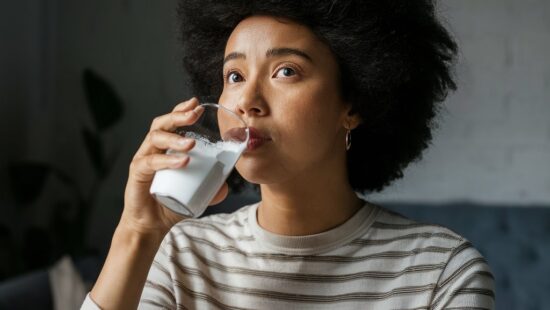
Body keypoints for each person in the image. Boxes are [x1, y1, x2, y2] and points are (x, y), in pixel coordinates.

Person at [82, 0, 495, 309]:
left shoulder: (441, 272)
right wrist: (138, 233)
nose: (247, 101)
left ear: (352, 105)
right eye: (235, 76)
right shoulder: (182, 255)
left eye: (286, 71)